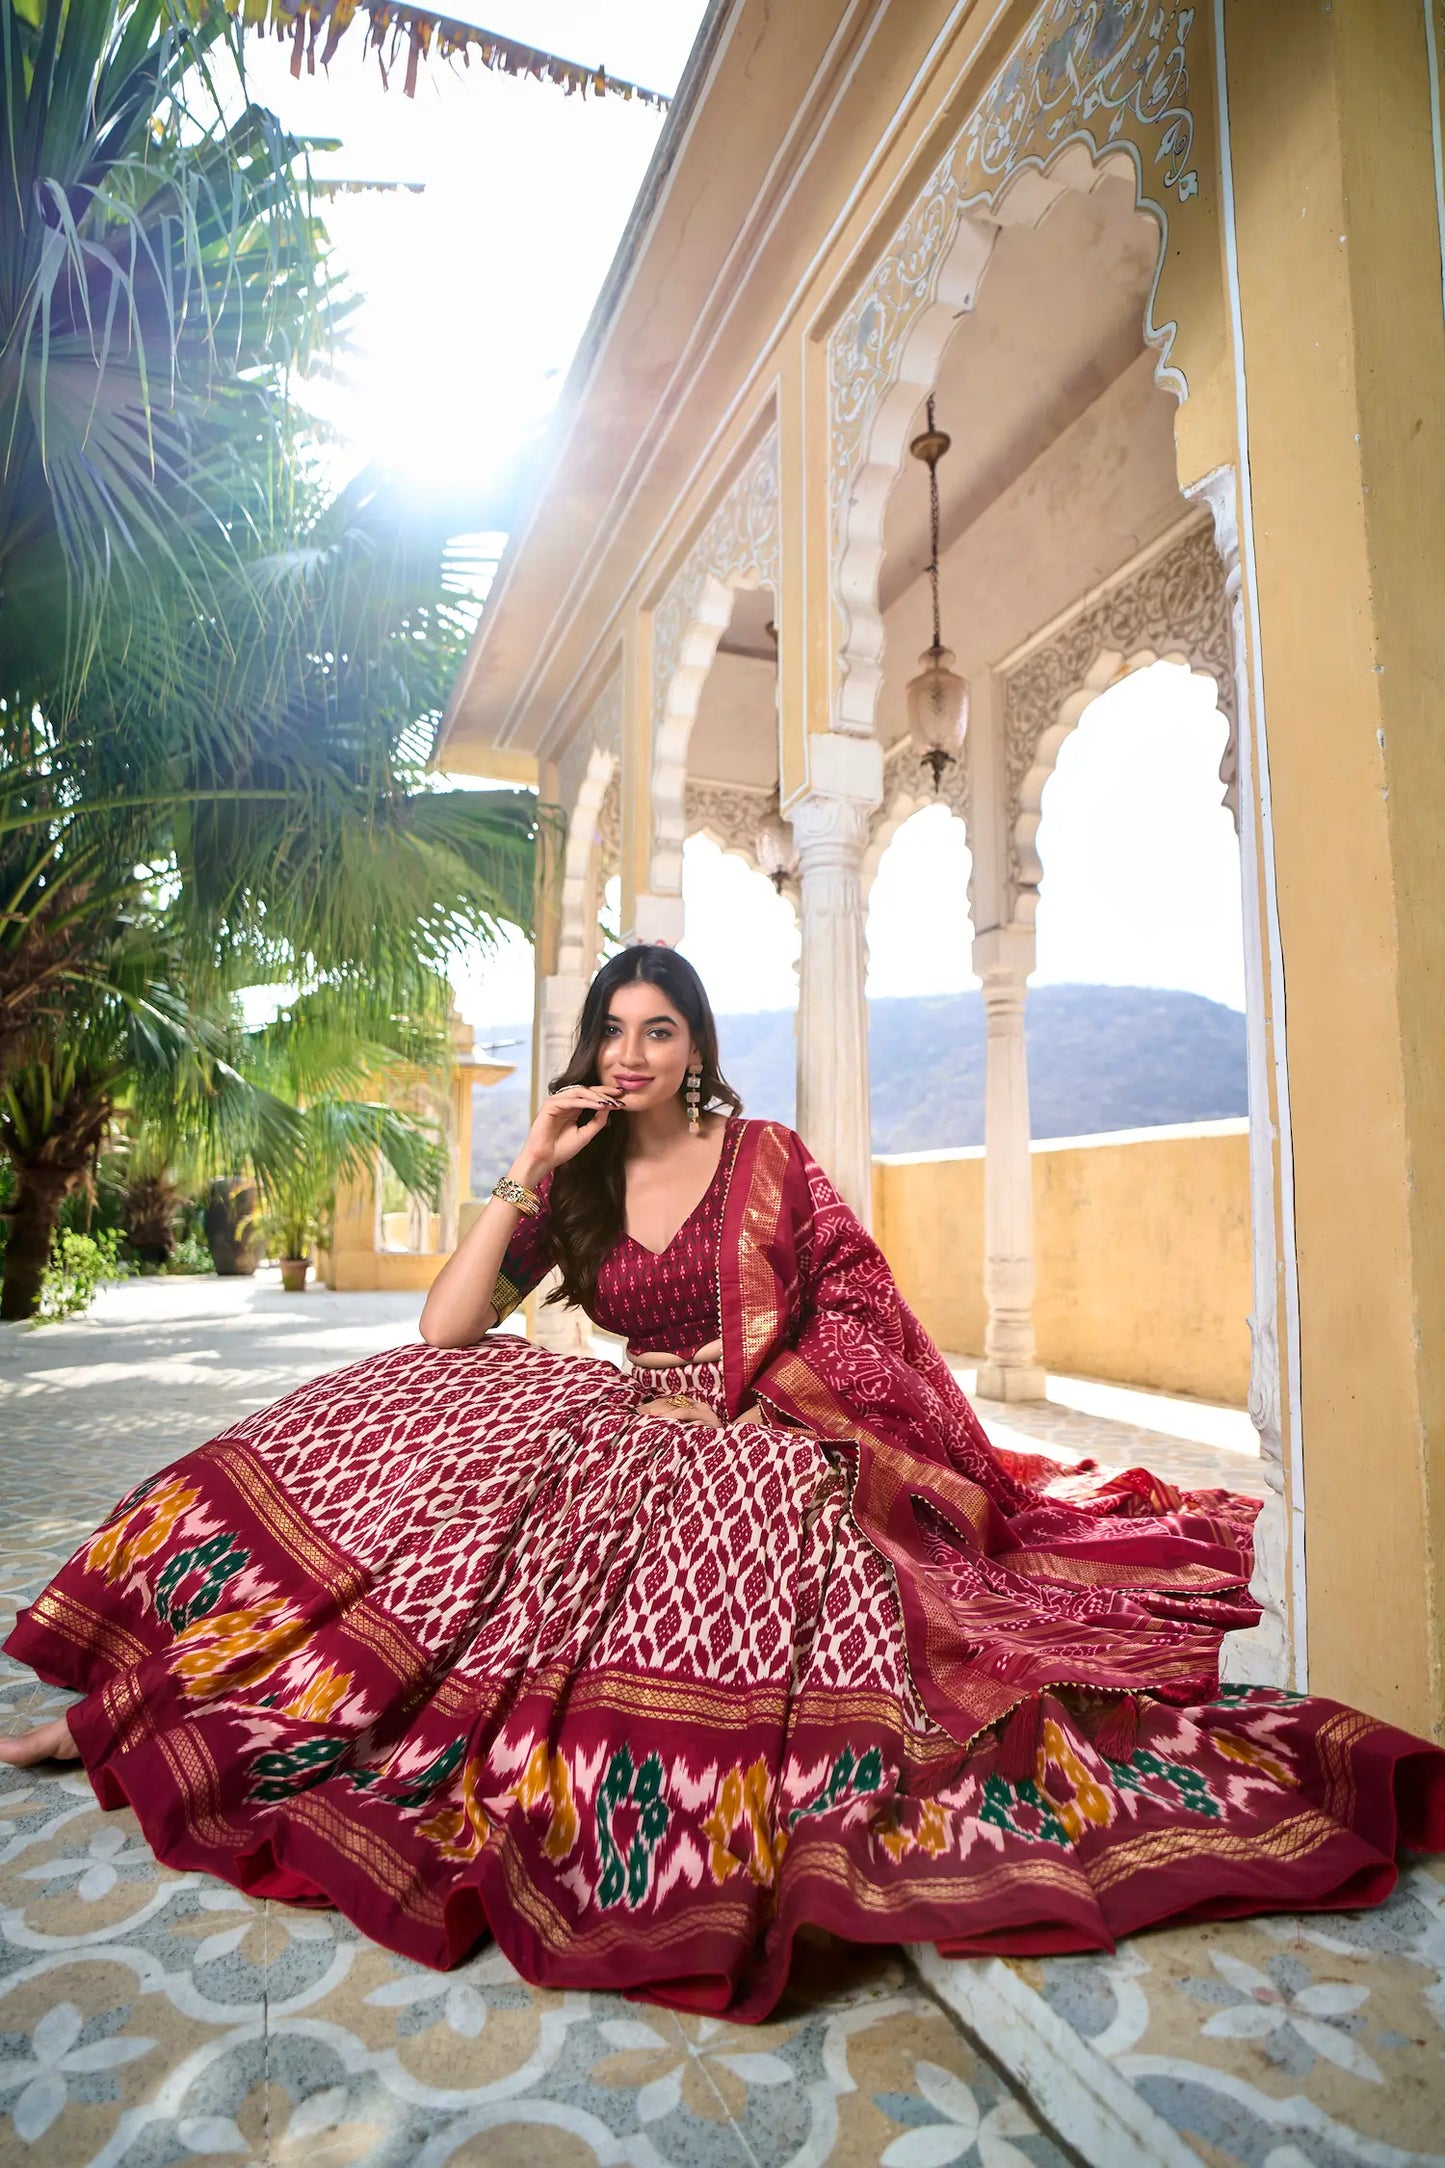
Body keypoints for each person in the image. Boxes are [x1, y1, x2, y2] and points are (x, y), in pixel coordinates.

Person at [3, 944, 1441, 2020]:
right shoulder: (572, 1179)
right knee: (423, 1431)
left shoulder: (762, 1157)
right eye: (610, 1034)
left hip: (772, 1434)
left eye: (659, 1030)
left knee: (709, 1563)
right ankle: (179, 1688)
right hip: (633, 1418)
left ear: (694, 1047)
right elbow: (444, 1327)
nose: (631, 1054)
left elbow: (861, 1315)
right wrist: (524, 1164)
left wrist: (768, 1414)